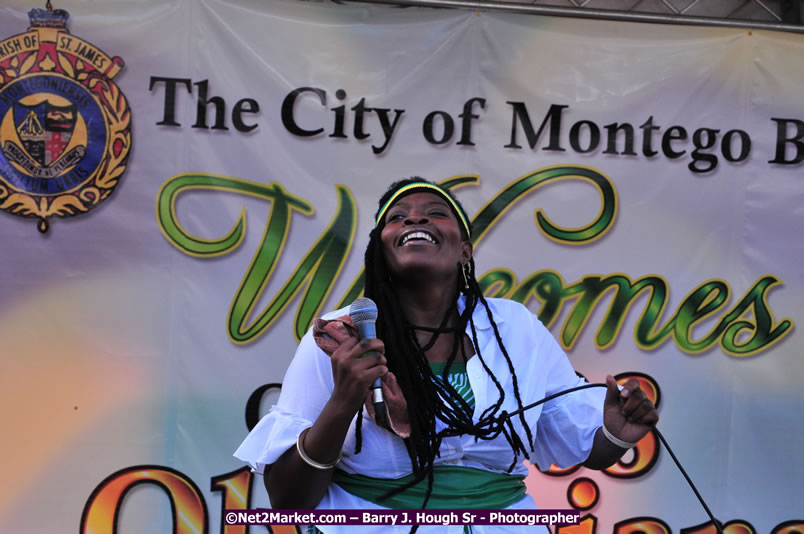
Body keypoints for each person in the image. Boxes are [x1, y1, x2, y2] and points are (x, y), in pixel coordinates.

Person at [234, 178, 659, 533]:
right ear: (380, 252)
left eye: (436, 212)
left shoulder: (515, 329)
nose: (415, 218)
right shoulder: (339, 337)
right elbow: (288, 500)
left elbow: (582, 444)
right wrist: (345, 399)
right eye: (396, 218)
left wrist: (618, 432)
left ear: (464, 250)